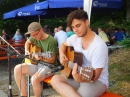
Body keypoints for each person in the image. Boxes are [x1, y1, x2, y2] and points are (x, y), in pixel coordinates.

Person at [51, 9, 108, 97]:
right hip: (76, 74)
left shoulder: (99, 46)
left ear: (87, 22)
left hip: (97, 81)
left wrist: (80, 79)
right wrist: (62, 54)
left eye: (78, 25)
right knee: (55, 79)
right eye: (73, 27)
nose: (75, 30)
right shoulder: (75, 38)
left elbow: (95, 76)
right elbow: (63, 45)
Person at [14, 22, 58, 97]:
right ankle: (23, 95)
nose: (33, 37)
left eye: (35, 34)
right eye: (32, 35)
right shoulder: (34, 36)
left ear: (41, 30)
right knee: (17, 69)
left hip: (49, 66)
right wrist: (27, 50)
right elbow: (27, 42)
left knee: (34, 79)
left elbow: (52, 60)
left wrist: (41, 57)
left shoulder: (52, 41)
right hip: (37, 63)